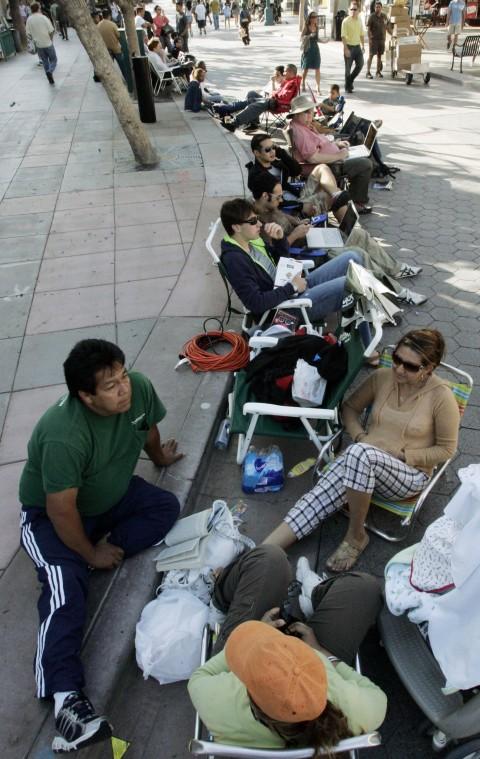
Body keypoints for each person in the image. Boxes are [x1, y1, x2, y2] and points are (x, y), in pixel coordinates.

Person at [19, 339, 182, 752]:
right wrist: (89, 552)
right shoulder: (62, 435)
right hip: (52, 517)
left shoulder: (139, 389)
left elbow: (147, 425)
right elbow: (59, 510)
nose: (124, 388)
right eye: (111, 386)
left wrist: (159, 458)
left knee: (164, 506)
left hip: (109, 497)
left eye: (123, 375)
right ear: (85, 396)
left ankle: (93, 558)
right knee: (64, 592)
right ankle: (66, 699)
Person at [264, 329, 460, 573]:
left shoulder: (442, 398)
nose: (399, 369)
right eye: (397, 359)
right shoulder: (382, 377)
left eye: (410, 366)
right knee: (315, 499)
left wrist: (404, 455)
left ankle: (356, 535)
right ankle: (258, 556)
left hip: (408, 473)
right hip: (364, 462)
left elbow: (447, 449)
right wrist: (360, 436)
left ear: (429, 368)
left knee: (357, 455)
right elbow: (350, 409)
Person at [188, 546, 387, 751]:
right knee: (363, 587)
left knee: (270, 559)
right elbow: (376, 695)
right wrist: (323, 654)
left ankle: (221, 603)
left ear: (254, 701)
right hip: (322, 658)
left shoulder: (222, 702)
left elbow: (200, 676)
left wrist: (259, 633)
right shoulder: (351, 708)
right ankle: (316, 596)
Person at [249, 172, 427, 306]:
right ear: (265, 196)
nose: (280, 200)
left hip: (310, 239)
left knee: (358, 234)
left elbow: (280, 214)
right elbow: (275, 254)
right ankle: (397, 293)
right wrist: (295, 234)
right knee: (359, 255)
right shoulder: (256, 222)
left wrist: (297, 222)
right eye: (278, 197)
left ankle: (394, 269)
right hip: (307, 253)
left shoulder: (268, 206)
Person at [219, 198, 373, 347]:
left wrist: (280, 240)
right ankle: (367, 346)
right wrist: (291, 287)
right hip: (282, 312)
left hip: (290, 289)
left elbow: (282, 262)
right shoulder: (235, 260)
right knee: (352, 284)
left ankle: (366, 309)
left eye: (257, 218)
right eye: (253, 221)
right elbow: (256, 304)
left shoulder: (251, 241)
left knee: (353, 258)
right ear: (236, 227)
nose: (259, 223)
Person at [288, 94, 373, 214]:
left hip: (333, 159)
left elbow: (319, 144)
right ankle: (357, 202)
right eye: (306, 112)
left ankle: (352, 199)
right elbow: (313, 158)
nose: (310, 115)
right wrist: (339, 155)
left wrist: (336, 145)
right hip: (329, 166)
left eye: (311, 111)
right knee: (365, 164)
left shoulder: (303, 125)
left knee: (361, 153)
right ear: (296, 114)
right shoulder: (300, 132)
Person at [247, 132, 350, 217]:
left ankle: (336, 195)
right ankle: (349, 230)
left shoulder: (275, 163)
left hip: (298, 195)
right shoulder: (257, 175)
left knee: (322, 168)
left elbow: (296, 171)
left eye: (273, 147)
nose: (272, 152)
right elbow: (270, 204)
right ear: (256, 153)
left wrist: (281, 152)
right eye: (267, 150)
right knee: (328, 196)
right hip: (291, 206)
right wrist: (300, 205)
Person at [219, 62, 300, 132]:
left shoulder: (292, 83)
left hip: (277, 104)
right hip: (273, 101)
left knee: (253, 105)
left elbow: (284, 97)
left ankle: (233, 122)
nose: (284, 73)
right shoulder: (289, 81)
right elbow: (280, 94)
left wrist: (274, 93)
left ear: (290, 72)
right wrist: (274, 93)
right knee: (251, 96)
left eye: (285, 71)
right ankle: (249, 122)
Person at [26, 2, 57, 85]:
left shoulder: (29, 19)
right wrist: (51, 39)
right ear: (38, 8)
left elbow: (28, 33)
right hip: (47, 42)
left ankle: (49, 76)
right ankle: (50, 72)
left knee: (45, 61)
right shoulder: (43, 18)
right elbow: (51, 30)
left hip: (38, 45)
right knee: (54, 59)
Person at [300, 12, 327, 95]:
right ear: (310, 18)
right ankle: (303, 82)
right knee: (305, 69)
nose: (315, 18)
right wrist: (309, 36)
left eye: (316, 17)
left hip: (315, 50)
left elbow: (316, 39)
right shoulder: (306, 27)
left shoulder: (317, 27)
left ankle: (318, 87)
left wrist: (323, 41)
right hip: (308, 50)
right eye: (313, 17)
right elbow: (301, 38)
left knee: (317, 68)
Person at [341, 2, 365, 93]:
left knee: (360, 64)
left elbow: (362, 34)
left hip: (357, 47)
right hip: (349, 47)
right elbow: (343, 36)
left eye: (355, 9)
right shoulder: (345, 21)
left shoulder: (359, 20)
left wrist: (363, 46)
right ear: (349, 10)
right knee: (348, 69)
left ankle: (349, 80)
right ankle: (348, 87)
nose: (353, 11)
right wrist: (346, 48)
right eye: (351, 9)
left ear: (358, 11)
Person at [98, 9, 128, 80]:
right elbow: (119, 35)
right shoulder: (112, 24)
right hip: (116, 49)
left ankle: (110, 80)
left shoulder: (98, 25)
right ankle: (127, 79)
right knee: (123, 67)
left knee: (109, 67)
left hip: (106, 49)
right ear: (109, 15)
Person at [366, 1, 388, 78]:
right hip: (373, 40)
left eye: (379, 7)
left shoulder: (384, 16)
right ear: (374, 8)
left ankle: (378, 72)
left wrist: (393, 34)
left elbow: (387, 27)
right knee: (371, 55)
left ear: (381, 8)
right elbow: (368, 29)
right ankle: (368, 72)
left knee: (379, 56)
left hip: (381, 40)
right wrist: (369, 39)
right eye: (376, 7)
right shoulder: (371, 16)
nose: (377, 8)